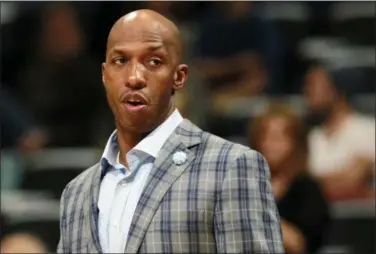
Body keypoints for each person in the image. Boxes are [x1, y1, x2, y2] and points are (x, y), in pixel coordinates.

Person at [57, 9, 284, 254]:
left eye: (154, 61)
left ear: (179, 76)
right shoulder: (76, 193)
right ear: (105, 75)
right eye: (120, 61)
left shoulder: (231, 166)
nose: (134, 77)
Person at [249, 102, 331, 254]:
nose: (273, 143)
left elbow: (299, 244)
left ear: (296, 142)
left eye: (281, 136)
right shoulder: (243, 184)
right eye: (267, 135)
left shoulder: (308, 189)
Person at [303, 61, 375, 201]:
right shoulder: (311, 136)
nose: (307, 92)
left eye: (313, 86)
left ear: (336, 90)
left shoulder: (367, 130)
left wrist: (312, 182)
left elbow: (351, 181)